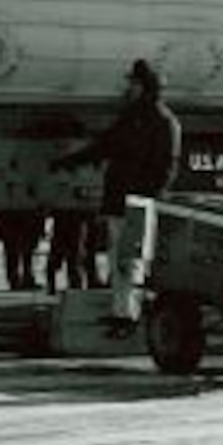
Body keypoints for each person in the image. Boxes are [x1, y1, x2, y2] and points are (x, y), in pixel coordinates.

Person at [52, 58, 183, 333]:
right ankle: (122, 311)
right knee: (120, 257)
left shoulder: (159, 122)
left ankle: (128, 314)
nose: (128, 88)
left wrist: (146, 197)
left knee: (129, 259)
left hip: (135, 201)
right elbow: (104, 146)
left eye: (133, 83)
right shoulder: (141, 119)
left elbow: (164, 166)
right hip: (121, 200)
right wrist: (72, 161)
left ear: (144, 87)